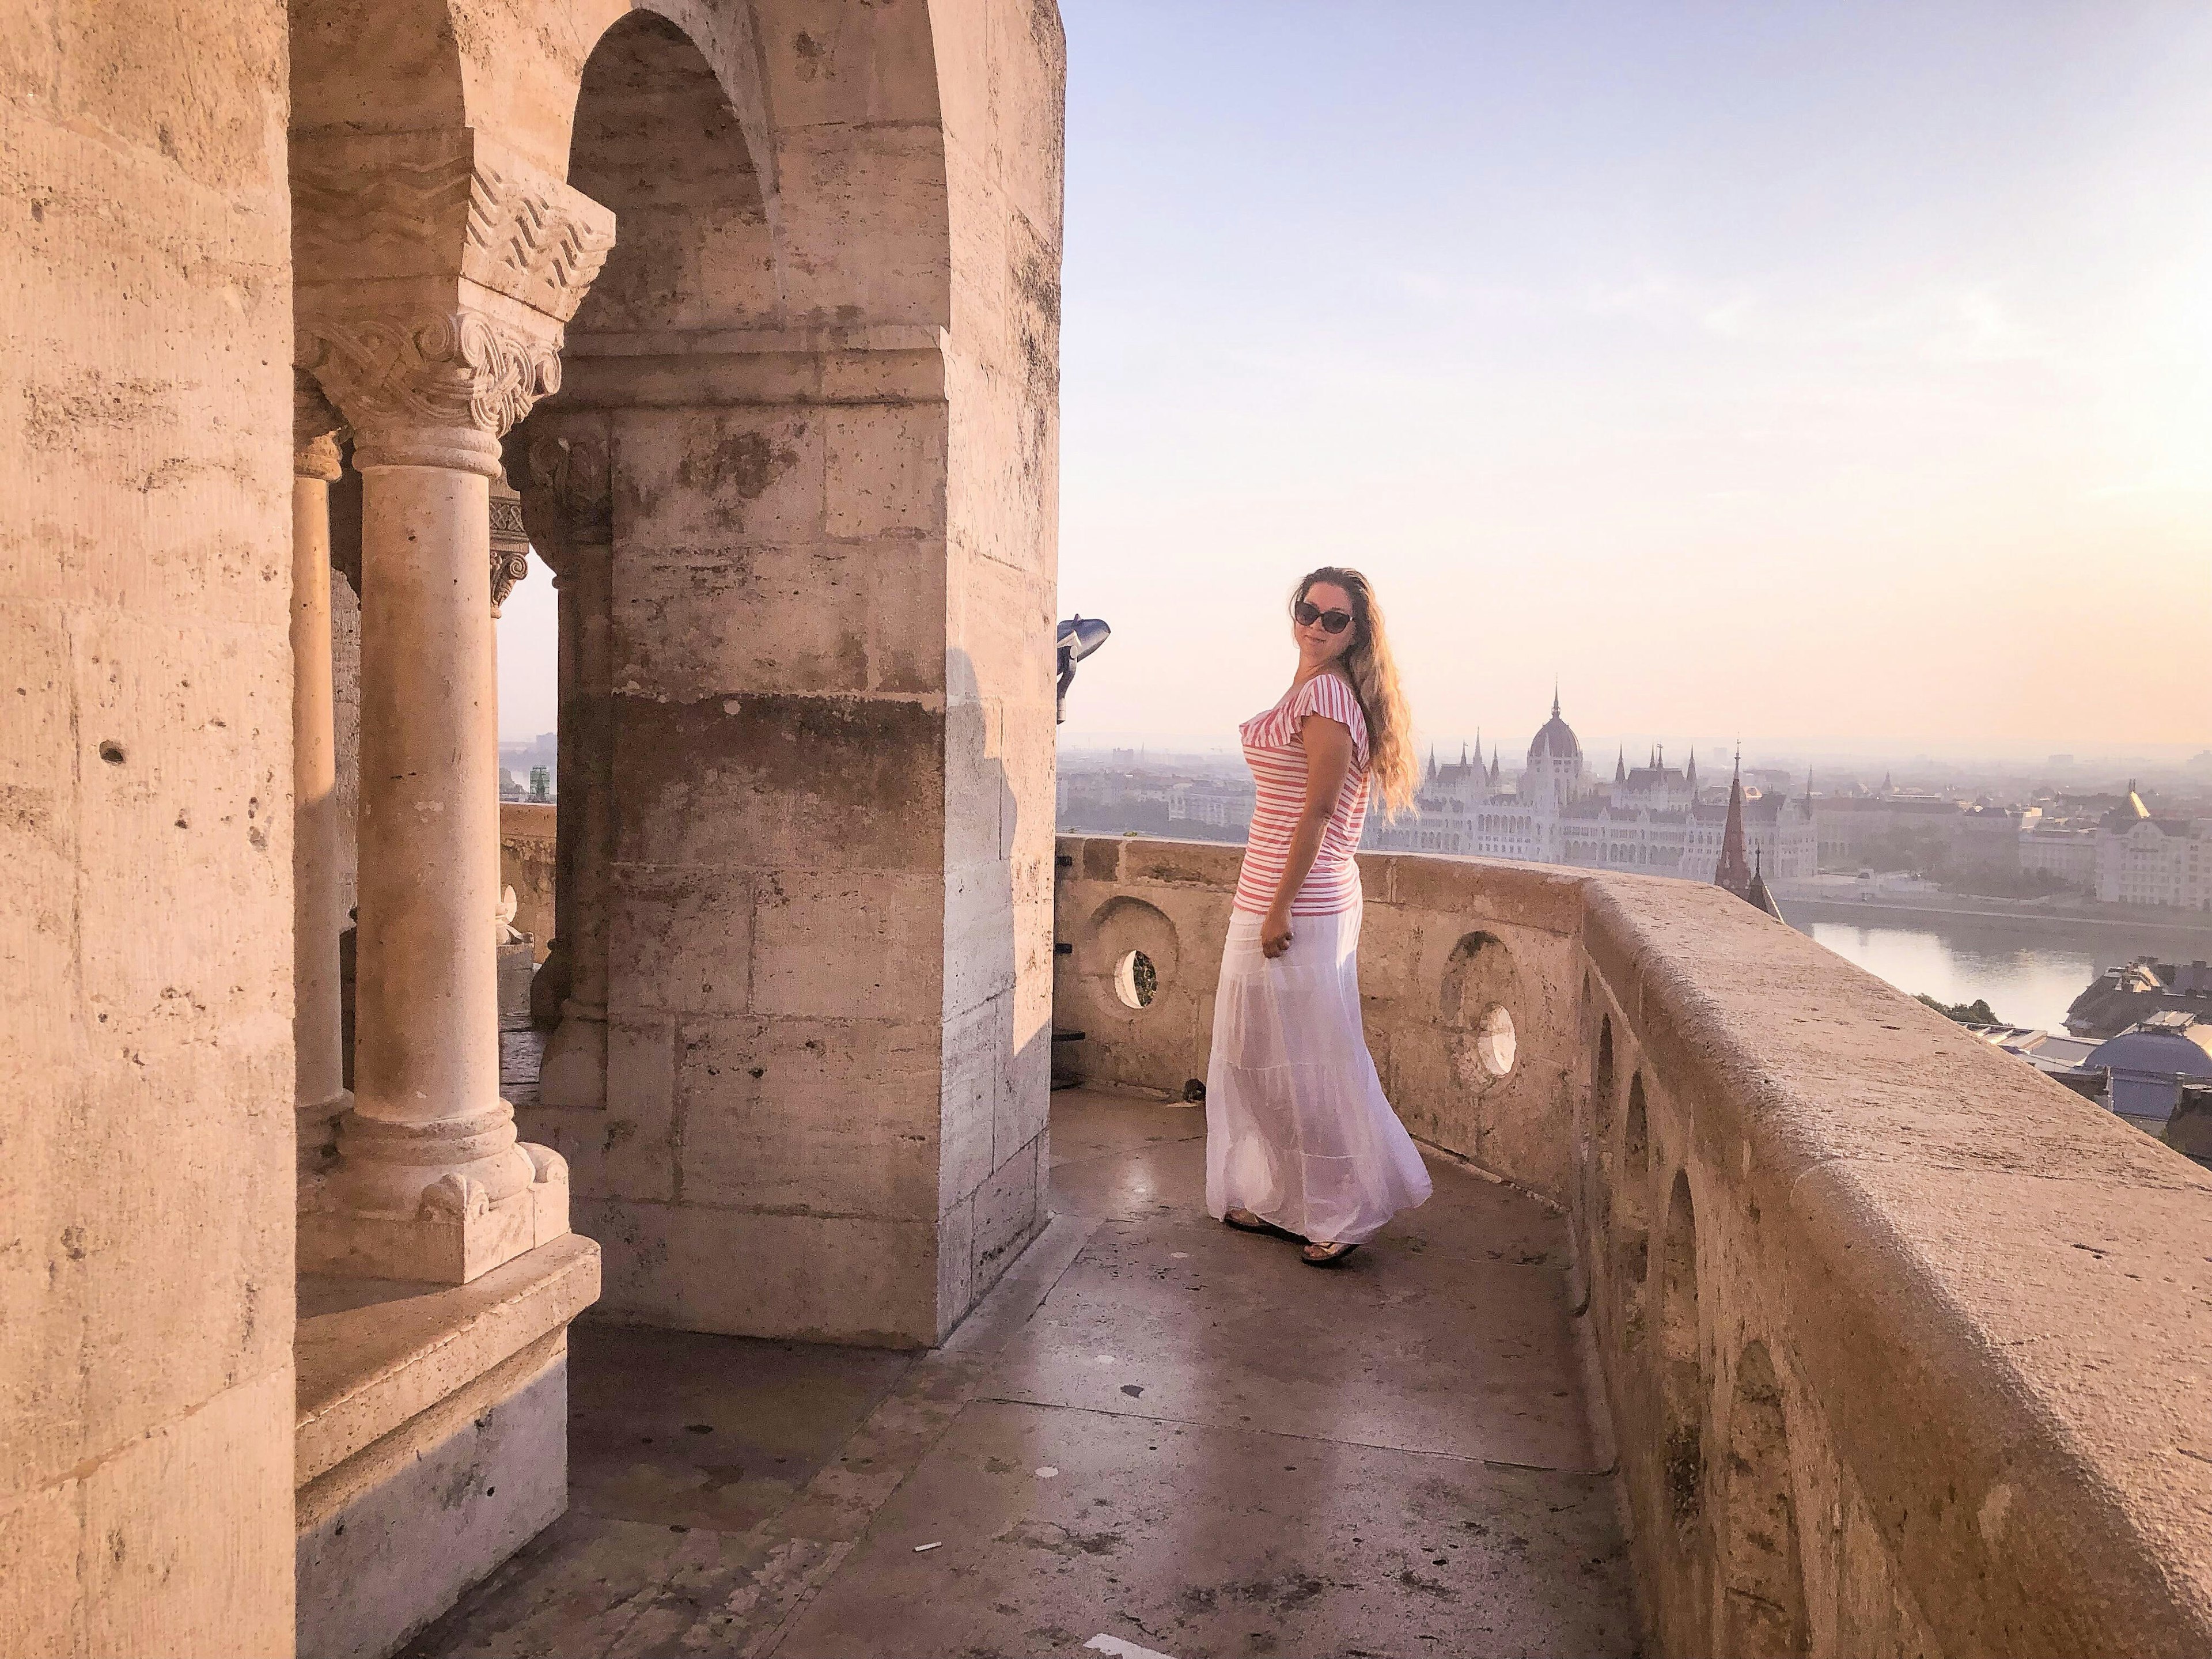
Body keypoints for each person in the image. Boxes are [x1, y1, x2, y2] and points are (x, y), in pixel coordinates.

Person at [1207, 566, 1433, 1266]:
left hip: (1300, 900)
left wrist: (1279, 906)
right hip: (1268, 891)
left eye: (1336, 619)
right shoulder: (1309, 686)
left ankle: (1343, 1210)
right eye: (1309, 611)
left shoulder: (1330, 696)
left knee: (1310, 1064)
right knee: (1261, 1058)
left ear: (1357, 631)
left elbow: (1320, 809)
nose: (1317, 626)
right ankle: (1292, 1198)